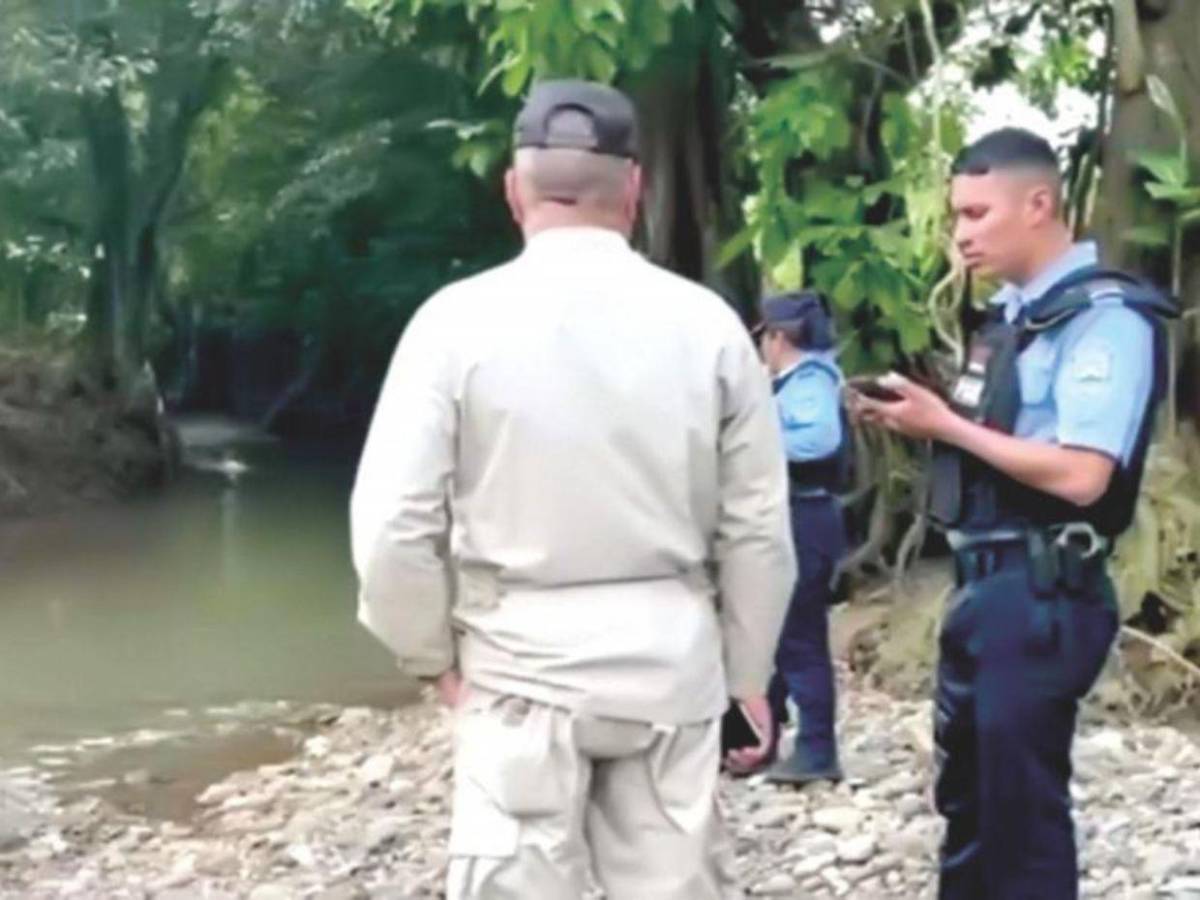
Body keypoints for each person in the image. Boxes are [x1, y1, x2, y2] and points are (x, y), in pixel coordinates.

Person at [349, 79, 796, 900]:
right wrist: (748, 678)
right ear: (635, 189)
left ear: (514, 190)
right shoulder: (710, 328)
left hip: (518, 669)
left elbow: (391, 527)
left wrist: (431, 659)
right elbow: (759, 529)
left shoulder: (452, 324)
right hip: (671, 665)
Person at [849, 128, 1176, 900]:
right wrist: (916, 418)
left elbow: (1083, 474)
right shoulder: (1009, 320)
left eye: (976, 213)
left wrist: (947, 427)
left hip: (1042, 593)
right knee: (968, 809)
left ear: (1039, 204)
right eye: (955, 216)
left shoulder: (1104, 319)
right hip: (984, 589)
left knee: (1020, 822)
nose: (961, 234)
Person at [752, 292, 848, 784]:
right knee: (775, 633)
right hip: (796, 516)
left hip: (804, 516)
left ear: (778, 336)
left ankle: (816, 748)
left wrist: (751, 446)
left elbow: (818, 439)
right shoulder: (797, 382)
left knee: (798, 637)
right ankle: (760, 738)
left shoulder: (809, 382)